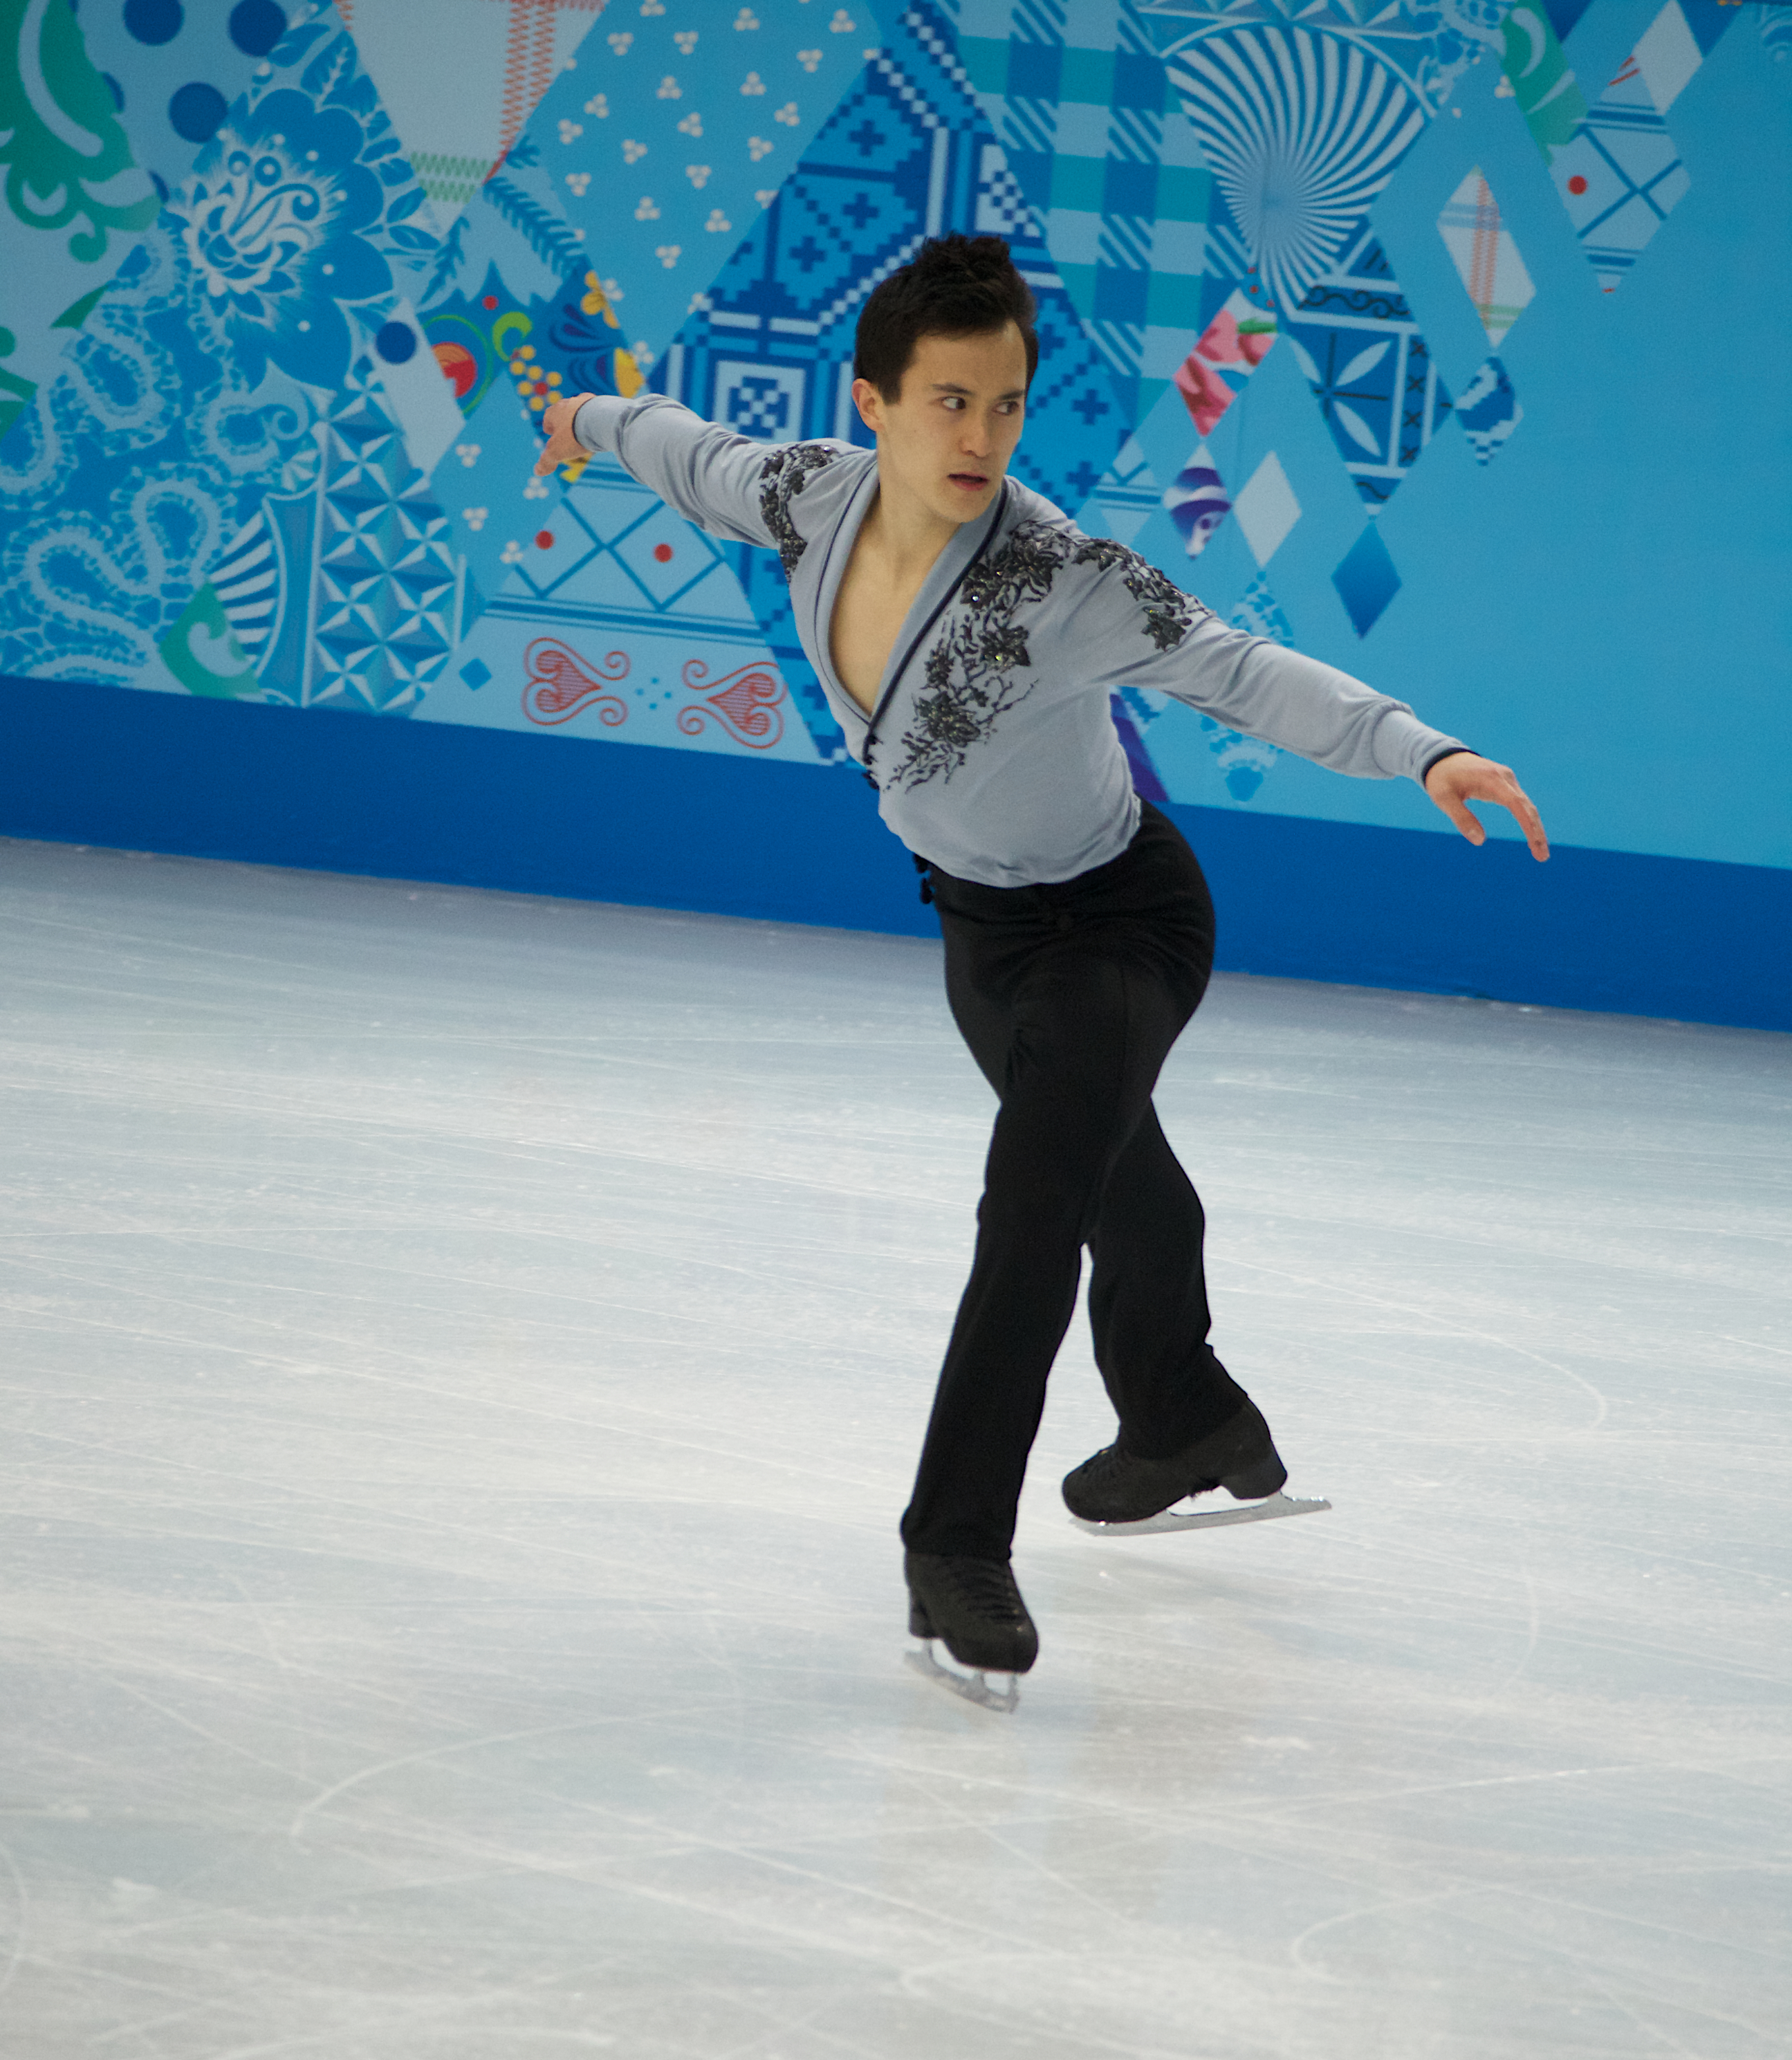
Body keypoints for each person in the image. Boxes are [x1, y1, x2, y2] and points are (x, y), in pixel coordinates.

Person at [535, 235, 1548, 1692]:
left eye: (1006, 404)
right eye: (950, 401)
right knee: (1112, 1169)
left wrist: (1421, 749)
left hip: (1122, 918)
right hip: (983, 931)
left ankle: (954, 1542)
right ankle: (1187, 1413)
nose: (982, 436)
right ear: (875, 403)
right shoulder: (809, 495)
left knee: (1034, 1202)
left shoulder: (1059, 574)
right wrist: (581, 419)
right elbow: (686, 451)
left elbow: (1241, 668)